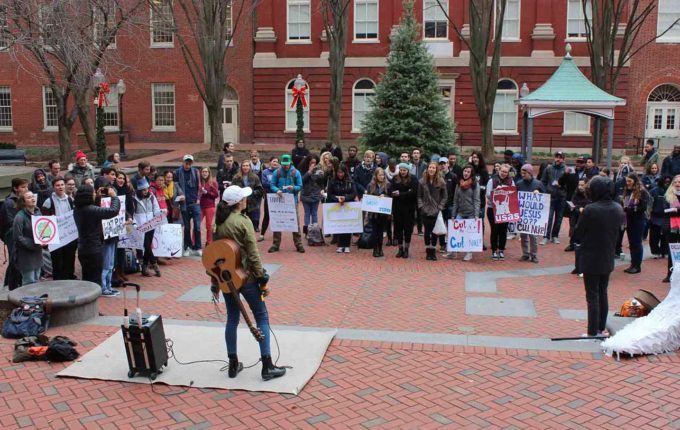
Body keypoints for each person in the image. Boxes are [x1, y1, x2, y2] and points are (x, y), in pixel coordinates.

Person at [213, 185, 286, 381]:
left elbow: (214, 254)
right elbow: (253, 254)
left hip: (227, 277)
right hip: (247, 278)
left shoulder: (218, 222)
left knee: (232, 319)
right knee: (261, 316)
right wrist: (262, 276)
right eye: (244, 198)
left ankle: (233, 363)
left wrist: (214, 281)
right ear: (239, 202)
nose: (246, 200)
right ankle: (267, 364)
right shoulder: (243, 222)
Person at [574, 176, 624, 337]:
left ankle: (592, 332)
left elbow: (578, 233)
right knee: (603, 293)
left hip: (591, 256)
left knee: (592, 296)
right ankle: (600, 327)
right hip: (608, 255)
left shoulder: (591, 209)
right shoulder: (617, 207)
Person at [74, 184, 121, 296]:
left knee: (87, 279)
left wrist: (98, 198)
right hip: (93, 249)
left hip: (83, 249)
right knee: (95, 282)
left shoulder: (78, 209)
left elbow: (94, 211)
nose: (95, 194)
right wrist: (114, 197)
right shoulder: (90, 210)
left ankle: (87, 306)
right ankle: (93, 309)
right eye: (93, 193)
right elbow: (113, 211)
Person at [41, 176, 76, 280]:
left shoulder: (69, 199)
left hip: (69, 236)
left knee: (69, 260)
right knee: (57, 262)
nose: (60, 187)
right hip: (56, 238)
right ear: (53, 187)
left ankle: (69, 279)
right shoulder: (48, 202)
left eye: (62, 185)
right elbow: (44, 221)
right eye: (57, 185)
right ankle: (58, 282)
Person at [268, 154, 304, 253]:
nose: (285, 166)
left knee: (295, 222)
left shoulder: (296, 173)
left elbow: (300, 186)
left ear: (290, 163)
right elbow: (272, 185)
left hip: (292, 201)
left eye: (287, 164)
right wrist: (277, 190)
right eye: (283, 164)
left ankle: (299, 244)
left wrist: (293, 188)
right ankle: (275, 244)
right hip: (279, 201)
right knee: (277, 222)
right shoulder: (277, 172)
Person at [1, 178, 30, 289]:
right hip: (12, 236)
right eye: (23, 187)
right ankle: (12, 286)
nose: (26, 189)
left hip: (22, 234)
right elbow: (10, 222)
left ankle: (14, 284)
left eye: (27, 187)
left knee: (18, 261)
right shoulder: (9, 202)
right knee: (15, 261)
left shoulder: (23, 199)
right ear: (15, 188)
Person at [12, 192, 44, 286]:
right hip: (25, 255)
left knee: (36, 280)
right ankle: (28, 300)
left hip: (37, 253)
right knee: (28, 282)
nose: (33, 199)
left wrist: (45, 240)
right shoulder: (19, 217)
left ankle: (36, 299)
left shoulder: (38, 213)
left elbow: (42, 229)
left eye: (33, 196)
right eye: (29, 197)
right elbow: (18, 237)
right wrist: (34, 244)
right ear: (23, 202)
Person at [418, 161, 447, 261]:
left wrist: (440, 207)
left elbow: (444, 196)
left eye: (433, 168)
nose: (431, 169)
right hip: (425, 210)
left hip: (436, 210)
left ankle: (433, 251)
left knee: (435, 232)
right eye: (430, 167)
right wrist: (421, 207)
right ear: (427, 169)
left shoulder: (441, 182)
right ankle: (428, 251)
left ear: (436, 170)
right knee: (427, 231)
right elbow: (419, 196)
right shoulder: (422, 181)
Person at [515, 164, 545, 263]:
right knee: (523, 235)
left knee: (533, 236)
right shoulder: (519, 184)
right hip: (523, 214)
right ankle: (525, 254)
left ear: (530, 173)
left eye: (524, 173)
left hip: (533, 215)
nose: (522, 175)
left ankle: (534, 255)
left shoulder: (538, 184)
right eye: (521, 173)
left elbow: (545, 198)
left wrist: (539, 193)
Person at [134, 178, 163, 277]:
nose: (146, 191)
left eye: (147, 189)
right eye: (143, 190)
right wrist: (134, 224)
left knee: (147, 246)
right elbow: (133, 213)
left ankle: (145, 267)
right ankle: (154, 264)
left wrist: (160, 213)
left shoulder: (151, 197)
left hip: (151, 224)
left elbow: (156, 208)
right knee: (146, 245)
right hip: (140, 226)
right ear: (139, 190)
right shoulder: (134, 199)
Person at [621, 173, 649, 274]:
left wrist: (630, 209)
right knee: (632, 243)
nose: (628, 183)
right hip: (629, 220)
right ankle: (633, 263)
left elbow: (643, 207)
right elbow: (625, 203)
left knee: (637, 243)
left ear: (635, 181)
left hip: (638, 220)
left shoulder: (642, 192)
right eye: (627, 181)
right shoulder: (627, 191)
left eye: (630, 181)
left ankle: (637, 265)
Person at [451, 165, 480, 262]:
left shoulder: (475, 184)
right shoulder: (458, 184)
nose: (466, 173)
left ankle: (469, 253)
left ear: (471, 173)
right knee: (455, 232)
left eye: (468, 171)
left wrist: (476, 214)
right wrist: (453, 215)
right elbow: (455, 201)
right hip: (460, 212)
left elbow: (476, 200)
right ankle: (453, 252)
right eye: (464, 171)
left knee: (469, 234)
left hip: (471, 213)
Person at [175, 155, 202, 257]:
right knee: (186, 227)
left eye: (190, 162)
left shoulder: (195, 172)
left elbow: (199, 186)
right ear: (183, 162)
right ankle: (187, 247)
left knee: (197, 227)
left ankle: (198, 247)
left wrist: (199, 198)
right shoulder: (178, 172)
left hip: (195, 203)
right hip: (184, 204)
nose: (188, 164)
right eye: (186, 162)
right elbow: (175, 186)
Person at [327, 165, 357, 253]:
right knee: (339, 226)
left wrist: (345, 198)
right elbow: (329, 195)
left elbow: (353, 193)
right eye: (339, 172)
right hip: (337, 206)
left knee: (347, 226)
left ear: (345, 172)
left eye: (342, 172)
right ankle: (340, 245)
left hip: (348, 205)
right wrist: (337, 199)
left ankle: (347, 245)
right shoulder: (332, 182)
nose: (340, 174)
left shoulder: (350, 181)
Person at [486, 164, 514, 260]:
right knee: (495, 230)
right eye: (502, 171)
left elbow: (513, 194)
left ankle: (501, 250)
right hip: (493, 209)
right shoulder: (492, 180)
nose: (503, 173)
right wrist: (496, 191)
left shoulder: (511, 181)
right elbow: (488, 194)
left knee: (503, 230)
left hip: (505, 210)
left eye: (506, 172)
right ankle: (494, 250)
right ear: (499, 171)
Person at [391, 163, 418, 258]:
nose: (402, 172)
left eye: (404, 170)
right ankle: (400, 248)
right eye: (401, 170)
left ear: (408, 170)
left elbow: (414, 192)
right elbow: (392, 190)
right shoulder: (395, 178)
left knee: (407, 229)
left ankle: (406, 249)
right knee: (398, 229)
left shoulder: (413, 179)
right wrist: (407, 192)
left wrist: (401, 194)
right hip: (397, 208)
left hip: (409, 208)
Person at [540, 151, 567, 245]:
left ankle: (555, 236)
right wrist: (544, 192)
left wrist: (563, 187)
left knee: (559, 218)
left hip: (561, 197)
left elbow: (571, 184)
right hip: (550, 197)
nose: (558, 159)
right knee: (548, 217)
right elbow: (543, 181)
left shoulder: (567, 170)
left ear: (563, 159)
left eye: (560, 157)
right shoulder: (548, 168)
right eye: (557, 157)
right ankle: (545, 236)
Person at [231, 160, 264, 232]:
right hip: (240, 203)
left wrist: (253, 192)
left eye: (247, 166)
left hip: (251, 204)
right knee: (239, 224)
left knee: (250, 225)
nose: (245, 167)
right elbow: (232, 189)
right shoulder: (236, 177)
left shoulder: (255, 177)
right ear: (241, 167)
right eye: (244, 166)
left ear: (250, 167)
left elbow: (260, 190)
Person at [366, 168, 391, 257]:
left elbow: (391, 197)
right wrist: (376, 196)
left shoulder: (388, 185)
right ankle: (375, 249)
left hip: (383, 213)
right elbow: (368, 197)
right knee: (374, 231)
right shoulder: (370, 185)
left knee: (380, 232)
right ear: (375, 176)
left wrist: (385, 196)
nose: (381, 177)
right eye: (379, 175)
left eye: (383, 175)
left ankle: (380, 249)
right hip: (373, 213)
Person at [300, 154, 324, 237]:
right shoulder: (303, 169)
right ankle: (307, 232)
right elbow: (301, 181)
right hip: (306, 194)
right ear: (308, 162)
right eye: (311, 162)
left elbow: (321, 182)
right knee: (307, 213)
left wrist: (321, 175)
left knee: (314, 213)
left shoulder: (318, 169)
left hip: (315, 194)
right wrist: (309, 172)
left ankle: (315, 231)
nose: (313, 164)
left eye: (315, 162)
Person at [570, 178, 590, 276]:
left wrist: (584, 209)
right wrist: (578, 208)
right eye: (579, 185)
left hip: (586, 221)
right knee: (577, 244)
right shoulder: (576, 192)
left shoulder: (590, 194)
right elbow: (573, 202)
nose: (580, 187)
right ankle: (577, 267)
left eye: (582, 185)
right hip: (577, 218)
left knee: (583, 246)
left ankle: (582, 267)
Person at [663, 175, 680, 282]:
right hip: (671, 228)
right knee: (672, 250)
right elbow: (664, 211)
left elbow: (673, 211)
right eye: (676, 182)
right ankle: (670, 274)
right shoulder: (668, 196)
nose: (678, 184)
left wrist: (675, 211)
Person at [195, 167, 218, 246]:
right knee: (196, 224)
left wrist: (207, 192)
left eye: (206, 172)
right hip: (199, 206)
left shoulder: (213, 182)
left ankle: (209, 242)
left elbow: (216, 195)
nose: (204, 173)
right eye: (203, 172)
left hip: (209, 206)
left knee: (208, 225)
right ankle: (194, 241)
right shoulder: (198, 182)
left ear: (209, 173)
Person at [649, 175, 670, 260]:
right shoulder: (654, 191)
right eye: (665, 181)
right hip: (655, 216)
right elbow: (649, 204)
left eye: (668, 182)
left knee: (665, 236)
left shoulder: (672, 192)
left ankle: (664, 251)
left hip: (667, 217)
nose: (667, 183)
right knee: (654, 236)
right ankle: (655, 251)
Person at [438, 156, 457, 254]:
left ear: (448, 164)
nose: (442, 166)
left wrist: (455, 205)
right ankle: (442, 244)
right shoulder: (437, 176)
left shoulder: (453, 176)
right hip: (440, 206)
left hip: (450, 205)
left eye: (444, 163)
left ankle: (451, 244)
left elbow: (456, 192)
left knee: (450, 226)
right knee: (441, 226)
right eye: (441, 164)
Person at [410, 148, 428, 235]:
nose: (416, 154)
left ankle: (420, 230)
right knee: (410, 211)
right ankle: (410, 229)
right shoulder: (409, 165)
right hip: (411, 191)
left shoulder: (424, 165)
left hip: (421, 191)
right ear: (412, 155)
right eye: (414, 153)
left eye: (417, 153)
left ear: (420, 155)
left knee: (420, 211)